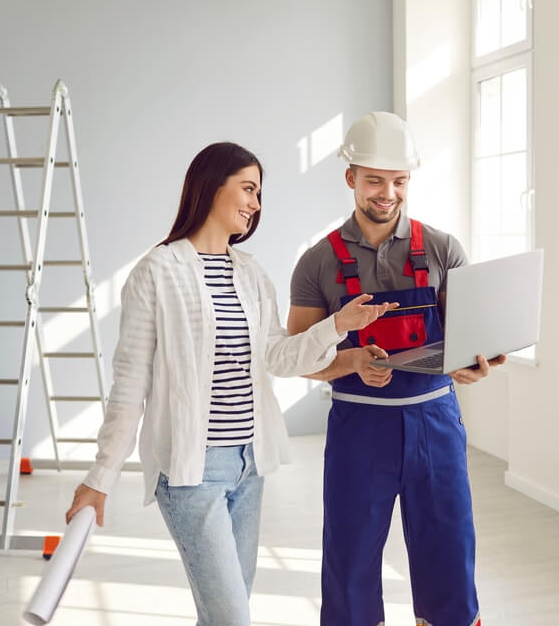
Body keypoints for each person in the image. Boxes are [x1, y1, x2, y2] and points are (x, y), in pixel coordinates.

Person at [65, 141, 395, 626]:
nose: (255, 204)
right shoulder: (156, 273)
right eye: (247, 189)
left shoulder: (251, 273)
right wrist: (99, 479)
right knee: (231, 617)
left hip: (248, 466)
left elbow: (279, 357)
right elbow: (129, 384)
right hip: (190, 474)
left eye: (259, 193)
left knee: (225, 610)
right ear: (209, 186)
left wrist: (338, 325)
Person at [287, 112, 505, 626]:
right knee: (351, 561)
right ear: (351, 178)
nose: (388, 193)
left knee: (449, 555)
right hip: (360, 427)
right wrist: (350, 362)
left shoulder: (442, 249)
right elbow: (297, 356)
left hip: (435, 422)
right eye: (375, 181)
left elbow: (464, 339)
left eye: (399, 181)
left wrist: (471, 366)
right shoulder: (318, 262)